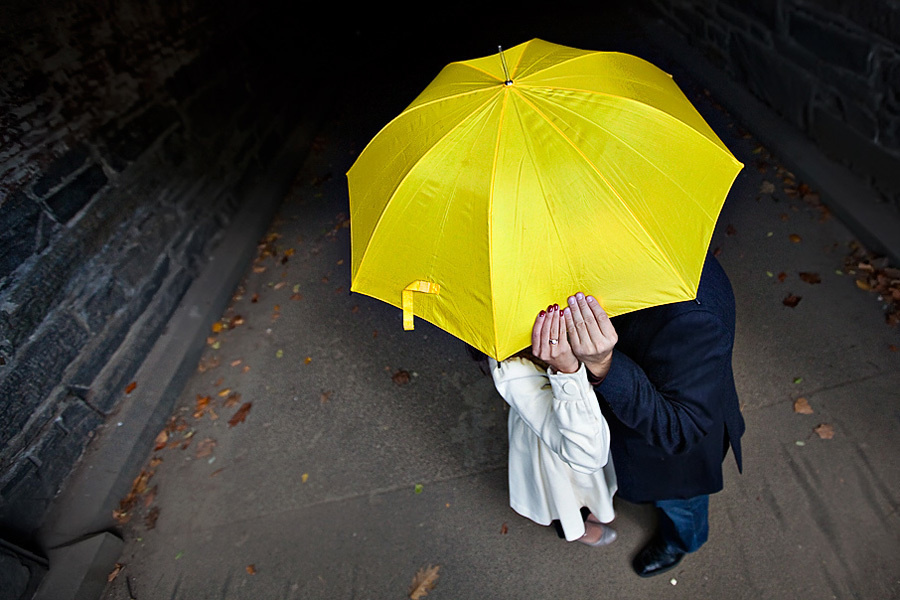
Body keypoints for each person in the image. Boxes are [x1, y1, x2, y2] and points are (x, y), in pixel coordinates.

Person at [562, 254, 744, 577]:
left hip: (673, 457)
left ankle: (682, 541)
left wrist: (605, 364)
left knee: (682, 506)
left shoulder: (693, 315)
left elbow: (681, 428)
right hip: (627, 425)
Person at [488, 303, 618, 546]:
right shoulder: (510, 364)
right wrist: (567, 370)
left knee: (587, 485)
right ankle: (575, 528)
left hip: (581, 421)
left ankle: (590, 509)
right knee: (560, 493)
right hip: (546, 438)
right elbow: (588, 453)